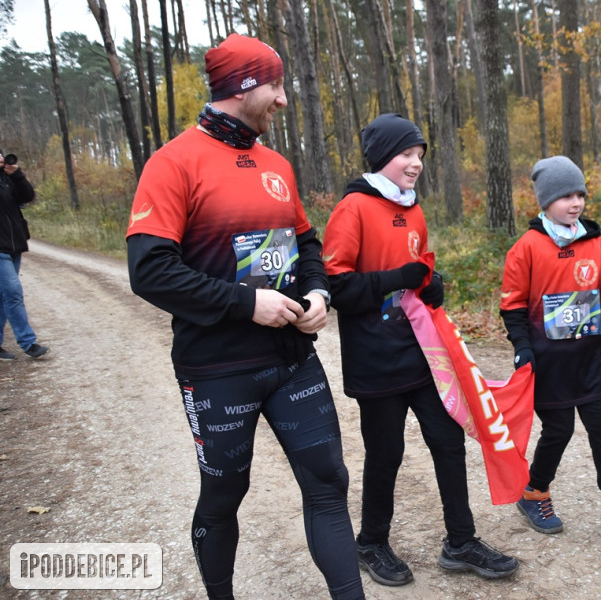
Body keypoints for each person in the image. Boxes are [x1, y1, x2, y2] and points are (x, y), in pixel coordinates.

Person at [126, 33, 363, 600]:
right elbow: (150, 272)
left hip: (291, 361)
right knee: (225, 493)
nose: (283, 99)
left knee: (329, 484)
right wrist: (245, 303)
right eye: (276, 85)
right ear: (243, 86)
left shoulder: (276, 163)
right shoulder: (174, 162)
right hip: (217, 368)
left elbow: (306, 245)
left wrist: (318, 296)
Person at [321, 113, 519, 587]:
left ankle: (461, 542)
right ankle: (370, 543)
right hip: (375, 360)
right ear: (382, 157)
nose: (416, 165)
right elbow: (337, 288)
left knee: (449, 444)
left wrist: (434, 284)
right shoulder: (352, 209)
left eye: (420, 156)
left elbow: (421, 266)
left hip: (423, 355)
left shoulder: (411, 208)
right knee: (385, 454)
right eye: (406, 155)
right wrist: (397, 280)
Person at [500, 155, 601, 545]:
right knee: (559, 429)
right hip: (548, 363)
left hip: (588, 361)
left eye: (580, 194)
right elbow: (512, 305)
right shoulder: (527, 247)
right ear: (545, 201)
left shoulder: (594, 240)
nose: (575, 202)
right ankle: (535, 493)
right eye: (565, 195)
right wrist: (522, 349)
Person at [0, 152, 49, 361]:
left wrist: (16, 174)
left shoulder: (7, 180)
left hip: (14, 247)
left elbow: (28, 196)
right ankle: (28, 342)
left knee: (3, 298)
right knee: (13, 292)